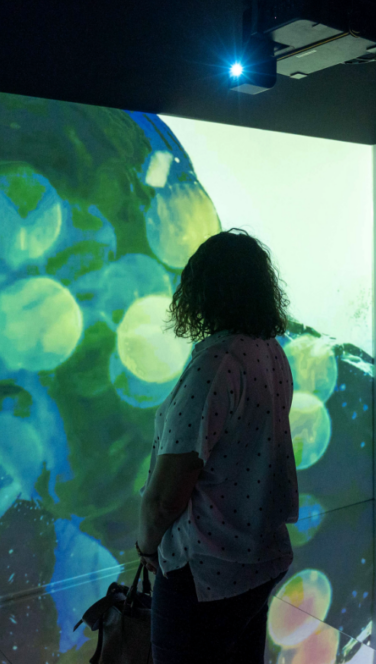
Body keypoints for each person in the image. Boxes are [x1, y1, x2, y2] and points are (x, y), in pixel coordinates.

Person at [137, 229, 300, 664]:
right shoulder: (269, 352)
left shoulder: (216, 361)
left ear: (202, 290)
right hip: (254, 562)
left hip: (205, 572)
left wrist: (147, 545)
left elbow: (167, 494)